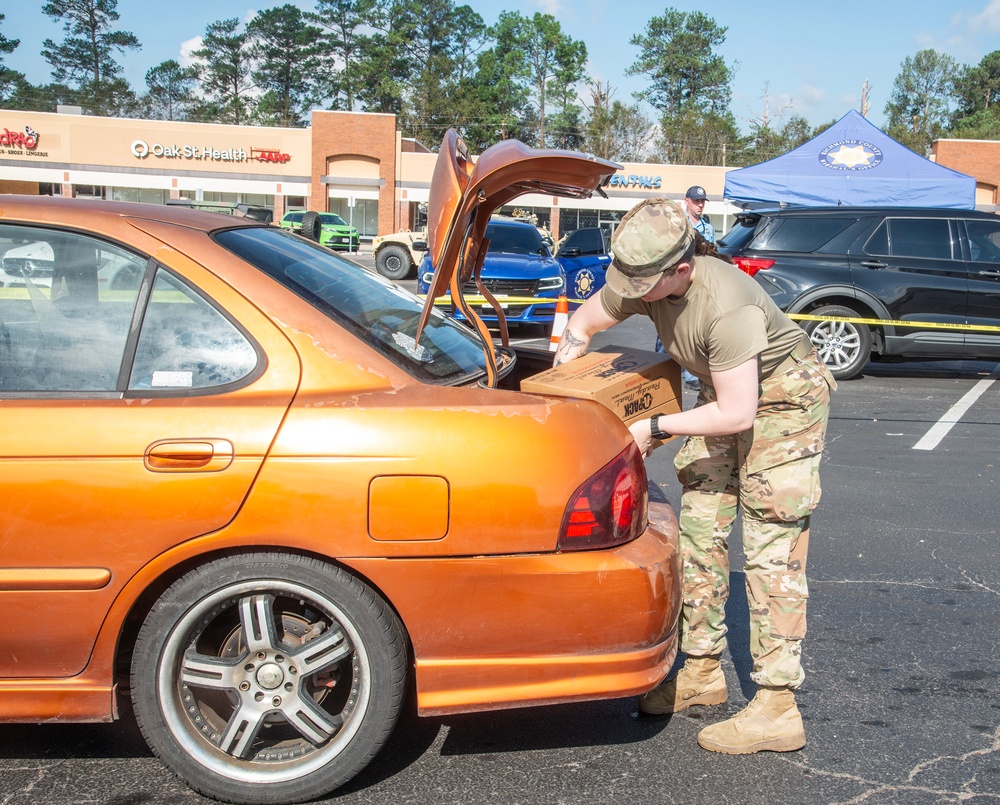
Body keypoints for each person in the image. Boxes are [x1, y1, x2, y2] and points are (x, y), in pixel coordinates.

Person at [553, 198, 835, 755]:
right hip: (722, 396)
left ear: (682, 269)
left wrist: (653, 426)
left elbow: (738, 413)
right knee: (701, 530)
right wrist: (569, 361)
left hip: (781, 403)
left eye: (643, 283)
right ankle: (703, 671)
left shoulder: (726, 305)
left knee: (769, 547)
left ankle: (778, 706)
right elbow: (586, 321)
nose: (631, 292)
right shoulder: (641, 279)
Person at [654, 185, 715, 391]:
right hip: (676, 281)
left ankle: (691, 374)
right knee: (668, 324)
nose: (700, 205)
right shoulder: (677, 223)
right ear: (686, 201)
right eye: (696, 201)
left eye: (702, 201)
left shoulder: (708, 227)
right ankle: (658, 366)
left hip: (697, 283)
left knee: (694, 328)